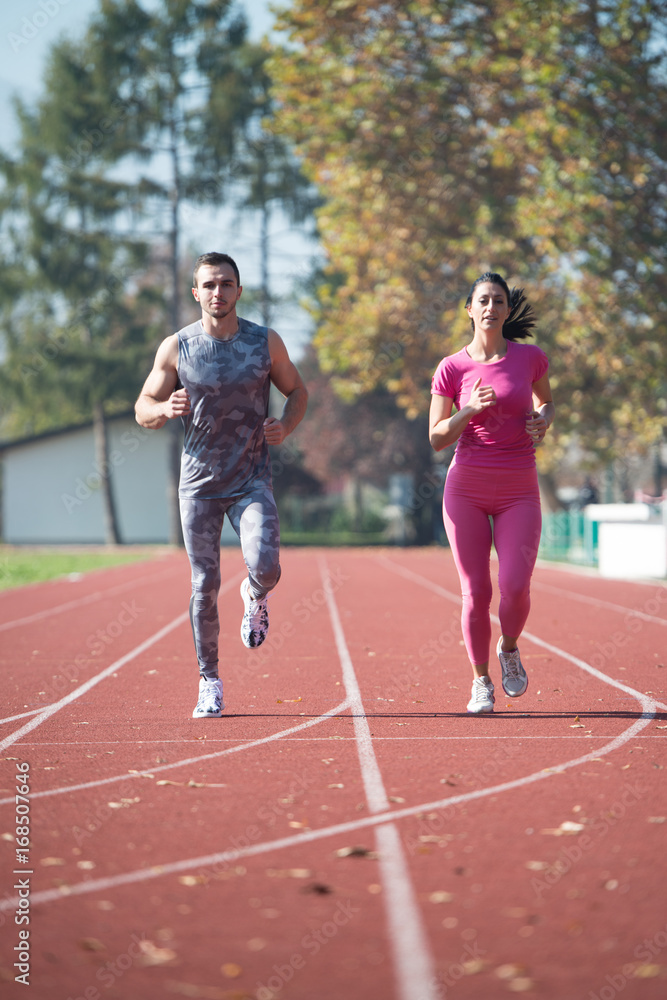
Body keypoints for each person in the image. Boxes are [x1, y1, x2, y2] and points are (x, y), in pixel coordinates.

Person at [135, 252, 308, 718]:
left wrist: (285, 427)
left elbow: (298, 391)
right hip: (199, 485)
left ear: (238, 290)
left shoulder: (264, 342)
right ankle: (209, 681)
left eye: (226, 284)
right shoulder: (177, 348)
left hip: (251, 477)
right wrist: (163, 410)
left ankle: (254, 594)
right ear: (196, 292)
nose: (218, 292)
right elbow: (142, 406)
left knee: (267, 565)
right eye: (209, 285)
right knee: (204, 583)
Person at [429, 272, 554, 714]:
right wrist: (469, 409)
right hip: (466, 486)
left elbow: (546, 401)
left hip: (519, 485)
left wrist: (544, 419)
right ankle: (481, 681)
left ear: (505, 309)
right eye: (482, 300)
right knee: (476, 590)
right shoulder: (452, 367)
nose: (490, 307)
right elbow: (437, 437)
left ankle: (510, 646)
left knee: (515, 587)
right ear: (469, 309)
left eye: (498, 300)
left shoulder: (530, 358)